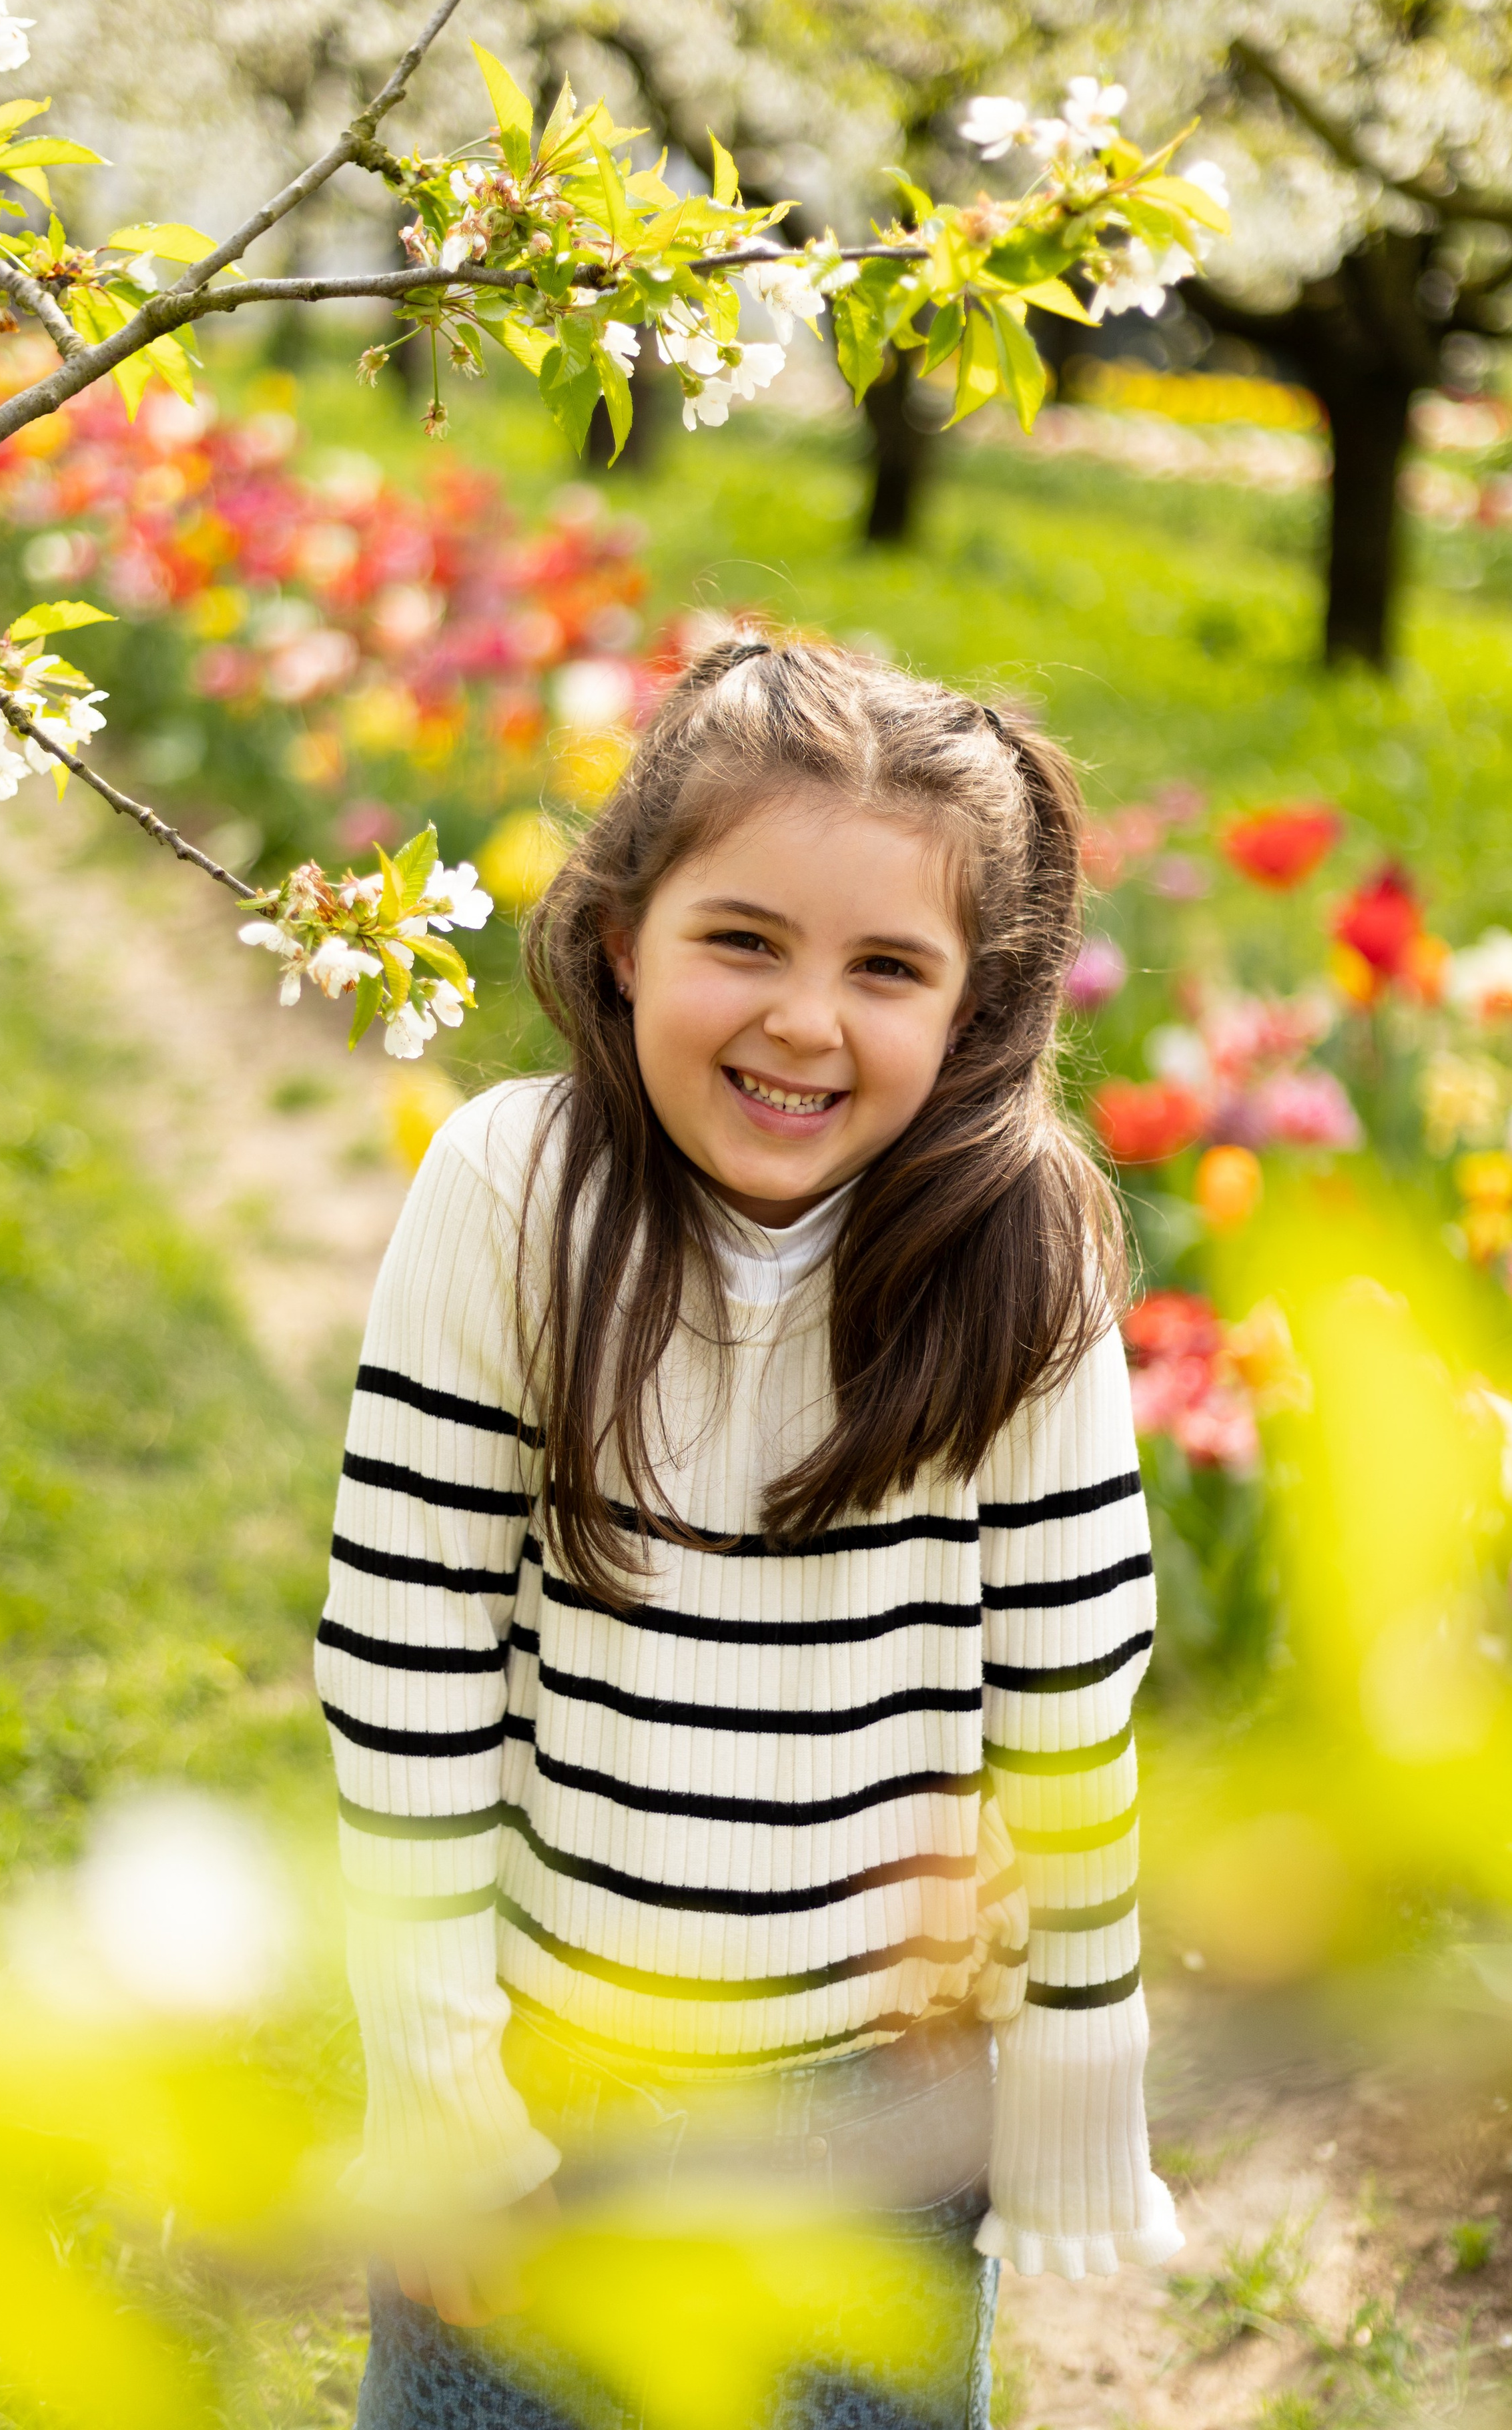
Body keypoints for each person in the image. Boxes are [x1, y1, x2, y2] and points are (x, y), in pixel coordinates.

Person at [318, 637, 1182, 2430]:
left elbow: (1069, 1701)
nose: (804, 1021)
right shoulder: (514, 1192)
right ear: (626, 934)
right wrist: (436, 2084)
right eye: (744, 941)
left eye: (887, 969)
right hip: (554, 2081)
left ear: (977, 1006)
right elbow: (410, 1666)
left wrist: (1082, 2067)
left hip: (873, 2113)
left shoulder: (1023, 1257)